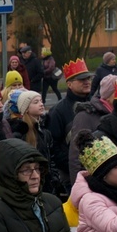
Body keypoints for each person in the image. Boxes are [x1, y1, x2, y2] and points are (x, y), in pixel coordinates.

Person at [48, 59, 94, 193]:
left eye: (88, 78)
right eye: (81, 80)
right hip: (71, 176)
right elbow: (54, 145)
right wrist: (73, 166)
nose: (86, 82)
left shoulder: (96, 104)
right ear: (69, 84)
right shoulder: (58, 111)